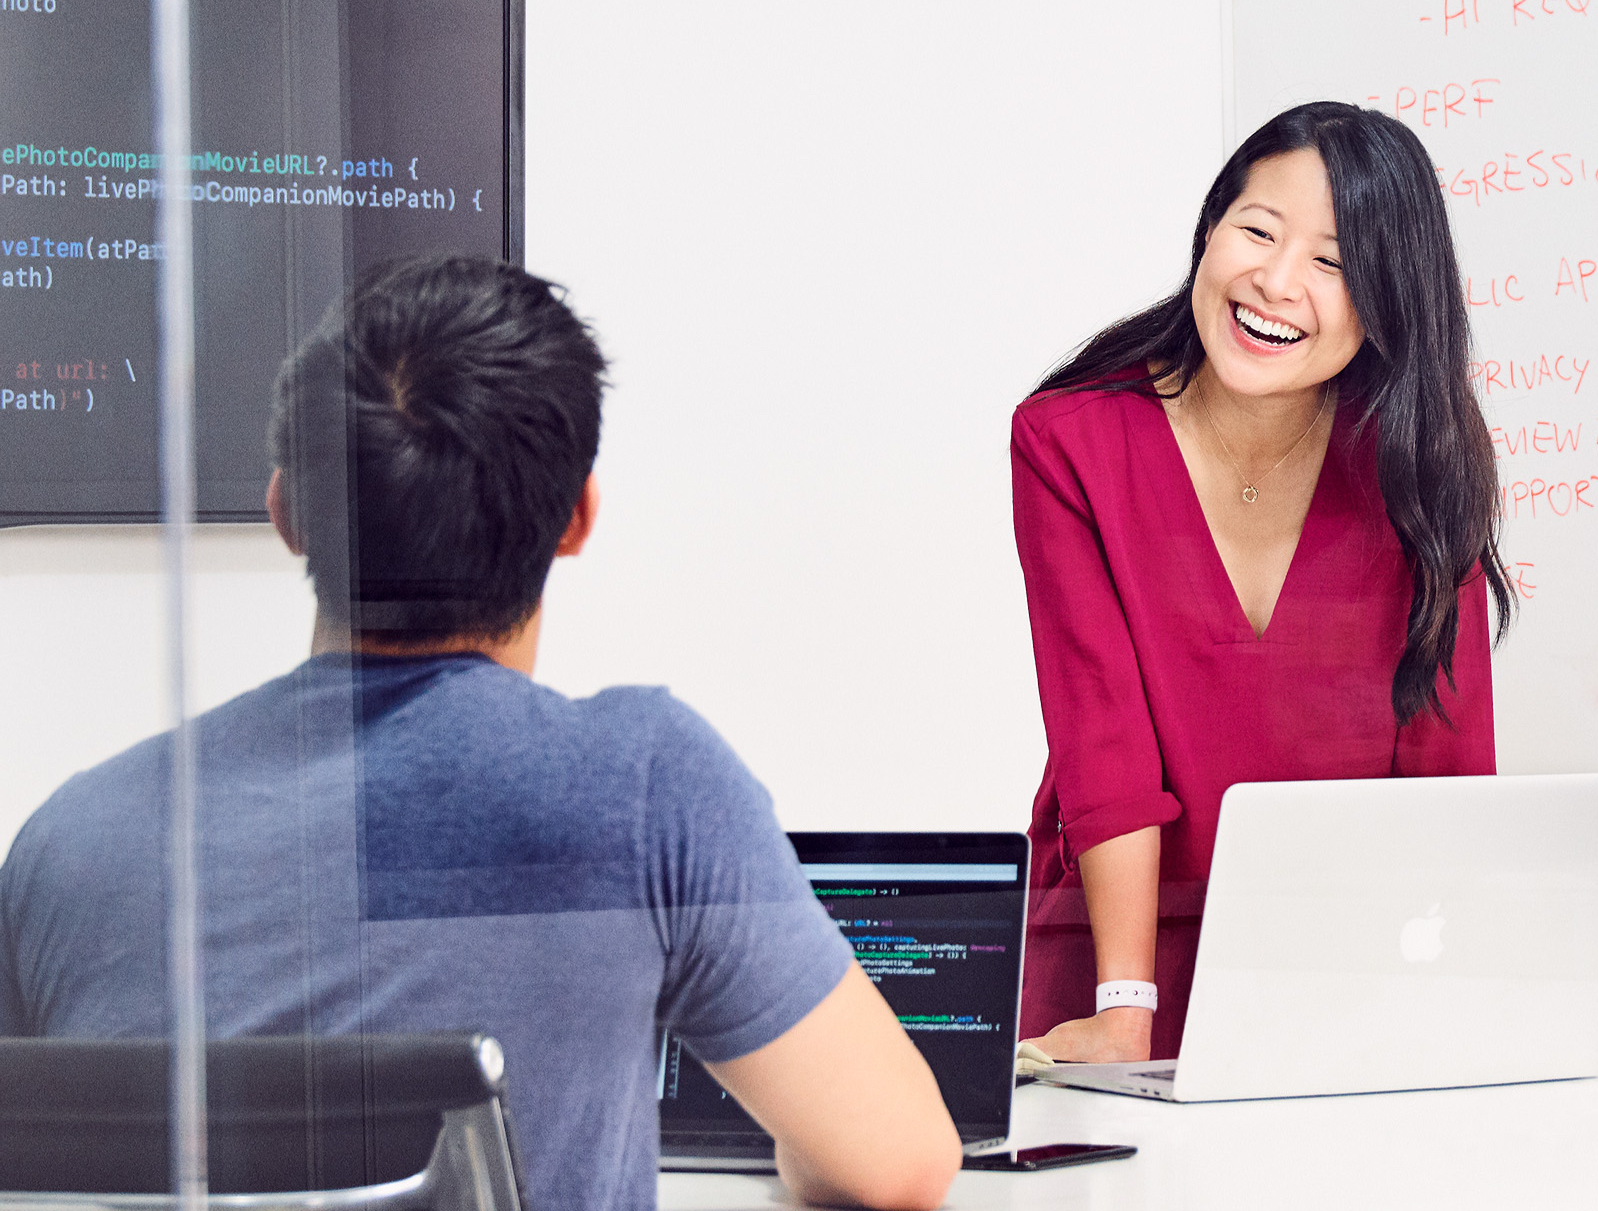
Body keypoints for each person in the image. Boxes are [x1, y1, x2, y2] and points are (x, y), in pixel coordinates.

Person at [0, 258, 960, 1209]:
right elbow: (897, 1165)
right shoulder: (642, 787)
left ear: (286, 513)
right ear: (578, 517)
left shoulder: (70, 843)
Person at [1014, 102, 1511, 1064]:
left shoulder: (1419, 473)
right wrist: (1126, 1007)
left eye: (1333, 263)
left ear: (1388, 301)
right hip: (1118, 969)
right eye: (1257, 231)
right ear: (1210, 231)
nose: (1277, 283)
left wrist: (1454, 1003)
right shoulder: (1069, 440)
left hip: (1345, 981)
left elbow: (1447, 780)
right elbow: (1103, 748)